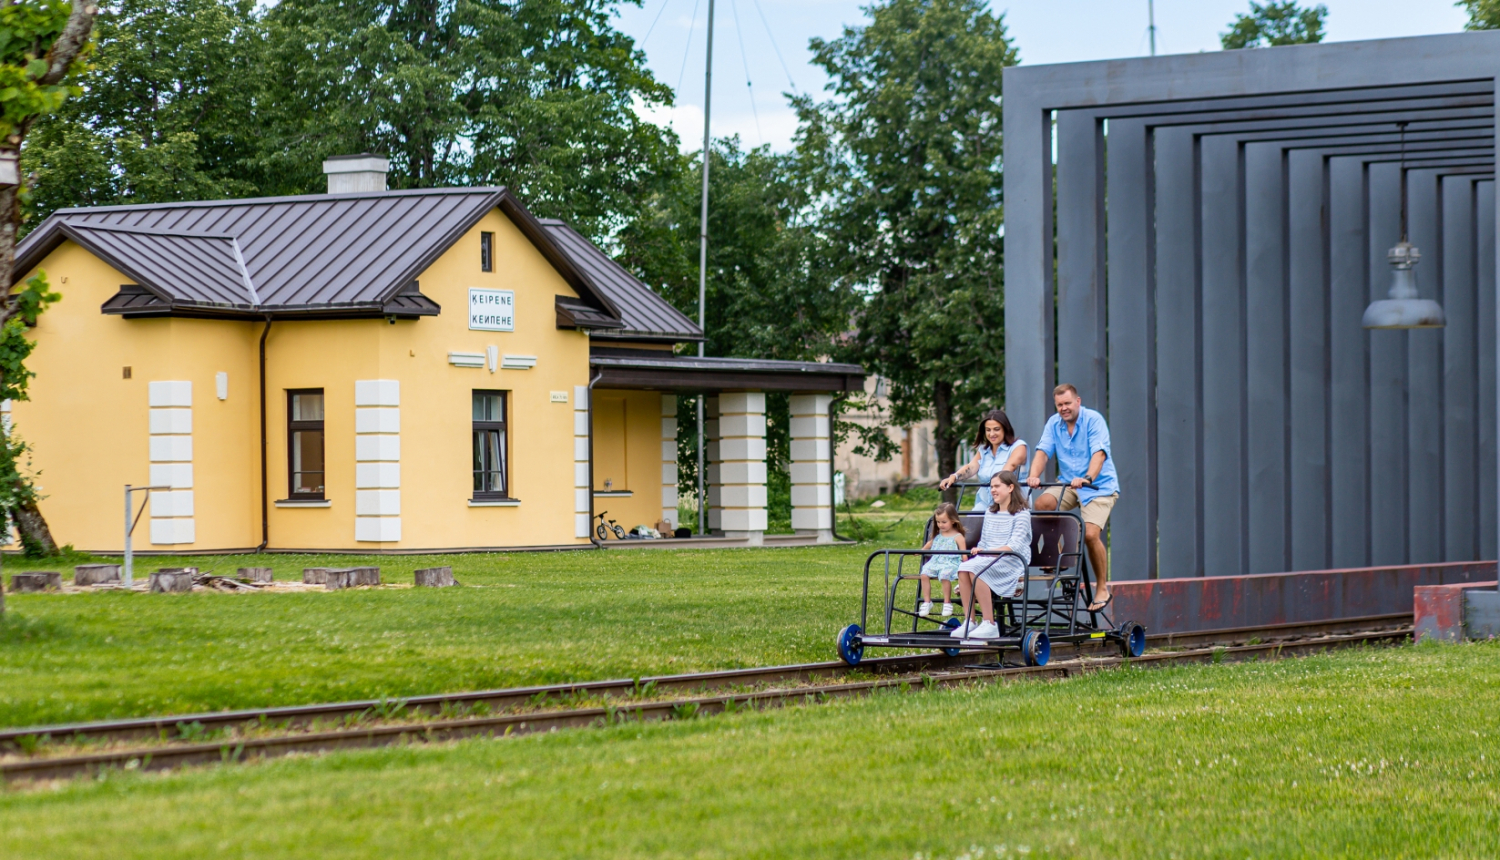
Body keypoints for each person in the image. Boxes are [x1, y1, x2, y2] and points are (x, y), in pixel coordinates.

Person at [1025, 383, 1119, 612]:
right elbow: (1042, 452)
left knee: (1091, 534)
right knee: (1042, 504)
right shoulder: (1053, 423)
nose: (1064, 408)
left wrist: (1087, 477)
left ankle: (1102, 589)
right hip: (1068, 483)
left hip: (1098, 486)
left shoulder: (1093, 420)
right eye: (1059, 405)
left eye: (1067, 403)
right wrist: (1033, 476)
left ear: (1078, 401)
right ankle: (1058, 555)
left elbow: (1099, 454)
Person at [950, 471, 1032, 640]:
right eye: (991, 486)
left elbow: (1014, 545)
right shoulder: (990, 512)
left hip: (1011, 561)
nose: (992, 490)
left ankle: (989, 623)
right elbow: (985, 541)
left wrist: (988, 553)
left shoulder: (1022, 514)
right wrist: (979, 550)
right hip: (990, 558)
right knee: (964, 567)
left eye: (997, 486)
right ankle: (970, 621)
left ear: (1010, 488)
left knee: (976, 569)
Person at [938, 409, 1028, 511]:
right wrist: (954, 477)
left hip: (1010, 504)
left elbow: (1009, 468)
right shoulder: (983, 451)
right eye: (988, 430)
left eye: (996, 429)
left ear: (1005, 429)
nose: (992, 434)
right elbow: (971, 467)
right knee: (972, 518)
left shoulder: (1018, 446)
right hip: (985, 503)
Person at [917, 503, 967, 617]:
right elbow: (930, 544)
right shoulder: (938, 535)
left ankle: (947, 602)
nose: (940, 525)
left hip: (951, 563)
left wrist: (966, 565)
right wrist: (921, 551)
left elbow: (964, 554)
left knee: (945, 575)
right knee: (924, 574)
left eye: (944, 522)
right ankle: (927, 602)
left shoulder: (958, 537)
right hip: (936, 562)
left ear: (953, 521)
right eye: (938, 522)